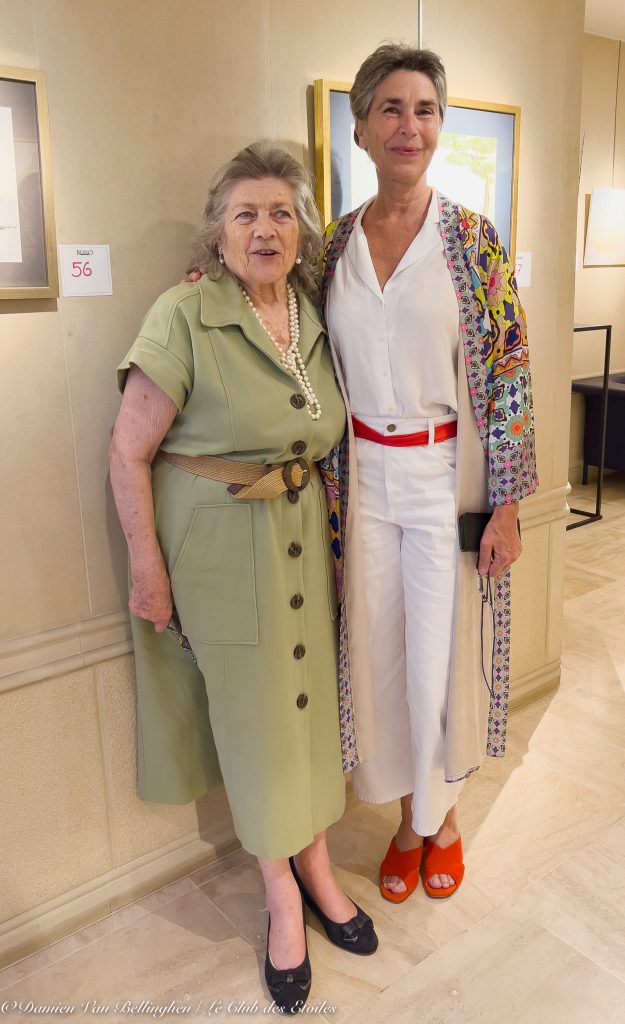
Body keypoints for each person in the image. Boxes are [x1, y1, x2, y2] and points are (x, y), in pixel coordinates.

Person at [109, 141, 377, 1016]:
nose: (266, 228)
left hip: (302, 532)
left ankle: (317, 865)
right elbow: (127, 450)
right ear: (217, 232)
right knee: (260, 723)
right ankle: (282, 901)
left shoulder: (309, 309)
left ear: (302, 229)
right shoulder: (182, 314)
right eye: (245, 213)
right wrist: (147, 569)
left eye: (281, 212)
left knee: (307, 716)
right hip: (221, 545)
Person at [319, 43, 538, 902]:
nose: (408, 126)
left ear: (438, 128)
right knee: (378, 654)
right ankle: (407, 810)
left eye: (424, 110)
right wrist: (207, 277)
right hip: (362, 479)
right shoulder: (330, 244)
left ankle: (439, 825)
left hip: (446, 476)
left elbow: (511, 373)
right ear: (362, 128)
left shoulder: (471, 240)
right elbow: (275, 314)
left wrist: (509, 506)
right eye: (390, 109)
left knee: (443, 656)